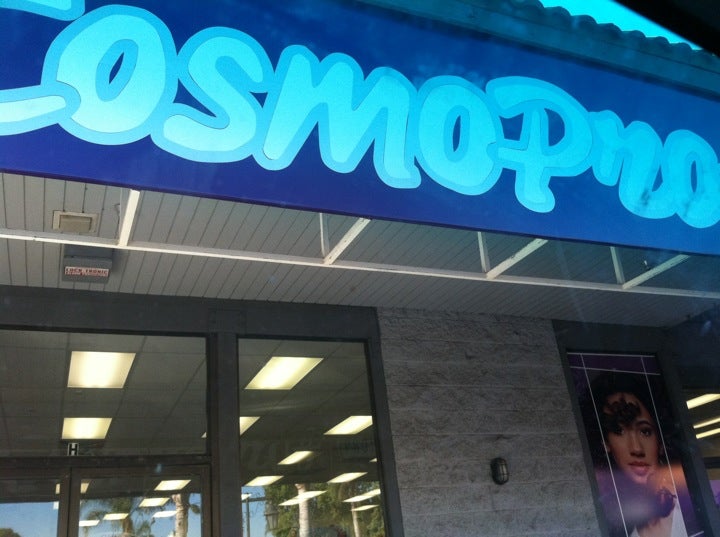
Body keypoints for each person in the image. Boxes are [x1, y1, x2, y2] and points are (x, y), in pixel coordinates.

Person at [581, 372, 699, 537]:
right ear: (605, 443)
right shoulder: (615, 522)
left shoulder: (691, 503)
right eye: (619, 431)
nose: (636, 448)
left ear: (660, 440)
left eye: (645, 431)